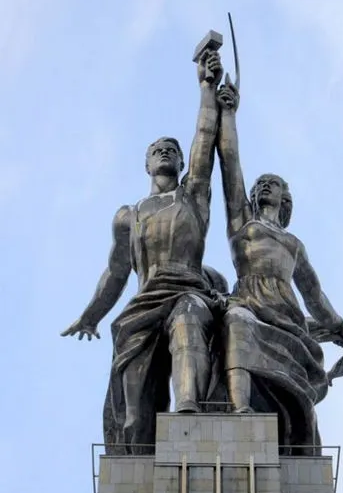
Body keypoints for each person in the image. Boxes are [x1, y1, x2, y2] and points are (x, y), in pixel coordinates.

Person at [62, 50, 224, 452]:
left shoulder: (194, 198)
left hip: (189, 291)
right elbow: (116, 273)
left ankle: (189, 408)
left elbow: (205, 138)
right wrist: (90, 315)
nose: (166, 152)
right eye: (158, 150)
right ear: (147, 164)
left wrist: (206, 88)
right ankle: (139, 468)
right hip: (142, 306)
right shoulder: (127, 216)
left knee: (188, 321)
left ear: (182, 162)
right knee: (134, 416)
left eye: (172, 149)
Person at [215, 77, 343, 453]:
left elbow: (314, 295)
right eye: (260, 183)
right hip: (248, 303)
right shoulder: (242, 225)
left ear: (285, 197)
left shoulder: (294, 245)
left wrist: (341, 327)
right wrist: (228, 114)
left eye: (272, 183)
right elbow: (230, 165)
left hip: (288, 317)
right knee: (236, 321)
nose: (263, 186)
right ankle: (240, 407)